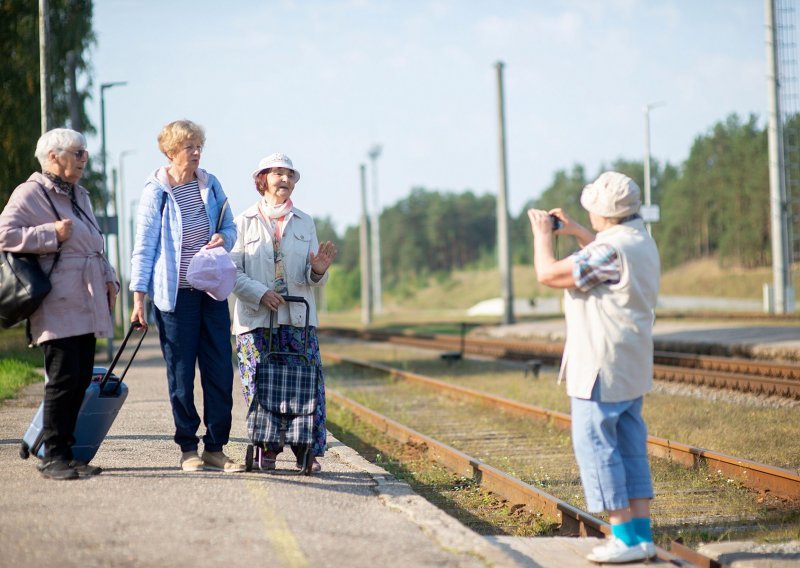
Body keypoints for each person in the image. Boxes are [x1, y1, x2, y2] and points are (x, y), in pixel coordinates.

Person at [527, 171, 660, 564]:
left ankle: (621, 536)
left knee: (598, 445)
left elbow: (548, 273)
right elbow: (606, 253)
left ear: (603, 214)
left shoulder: (607, 251)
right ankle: (640, 534)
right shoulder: (641, 241)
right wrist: (578, 231)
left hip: (601, 363)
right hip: (631, 362)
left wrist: (543, 237)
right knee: (631, 447)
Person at [0, 128, 119, 480]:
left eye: (85, 153)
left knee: (80, 377)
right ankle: (53, 456)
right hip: (57, 302)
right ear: (54, 156)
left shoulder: (79, 194)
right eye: (78, 153)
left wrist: (110, 278)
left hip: (87, 300)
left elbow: (94, 243)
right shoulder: (30, 192)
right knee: (63, 378)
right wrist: (51, 233)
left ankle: (66, 453)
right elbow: (5, 235)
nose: (84, 159)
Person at [129, 119, 244, 473]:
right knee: (181, 374)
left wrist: (224, 238)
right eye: (188, 148)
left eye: (198, 147)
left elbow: (229, 225)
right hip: (175, 298)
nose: (195, 153)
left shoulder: (210, 185)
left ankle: (215, 447)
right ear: (170, 152)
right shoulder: (156, 192)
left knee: (221, 370)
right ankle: (188, 447)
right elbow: (144, 248)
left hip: (211, 291)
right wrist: (138, 300)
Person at [230, 153, 337, 473]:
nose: (285, 180)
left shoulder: (304, 221)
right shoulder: (242, 221)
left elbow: (312, 275)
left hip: (297, 319)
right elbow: (231, 272)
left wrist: (318, 271)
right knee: (261, 387)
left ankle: (308, 452)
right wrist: (259, 293)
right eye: (278, 173)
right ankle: (268, 450)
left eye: (290, 175)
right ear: (262, 179)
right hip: (255, 318)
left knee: (308, 385)